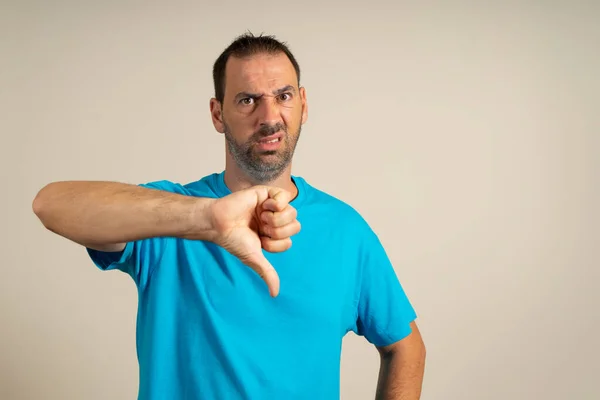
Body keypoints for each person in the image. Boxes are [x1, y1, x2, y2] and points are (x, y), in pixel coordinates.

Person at [32, 32, 426, 399]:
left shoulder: (345, 230)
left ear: (303, 104)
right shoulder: (171, 212)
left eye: (284, 95)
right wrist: (208, 218)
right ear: (217, 114)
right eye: (247, 99)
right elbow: (50, 205)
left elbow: (405, 347)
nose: (270, 116)